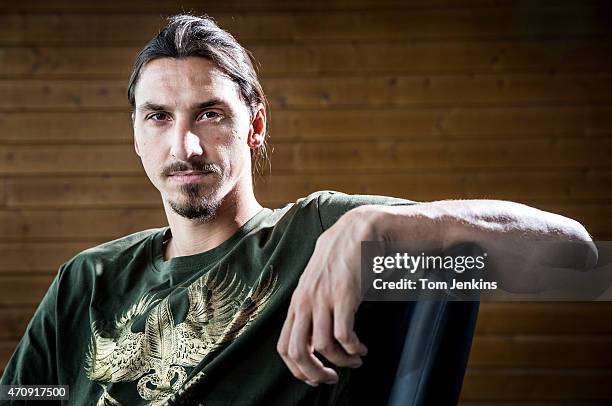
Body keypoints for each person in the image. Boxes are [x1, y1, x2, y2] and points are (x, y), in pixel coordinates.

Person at [0, 14, 596, 406]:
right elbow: (32, 397)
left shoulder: (317, 235)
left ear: (255, 126)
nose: (184, 145)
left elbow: (574, 261)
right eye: (159, 117)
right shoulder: (88, 277)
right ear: (135, 135)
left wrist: (382, 224)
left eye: (210, 113)